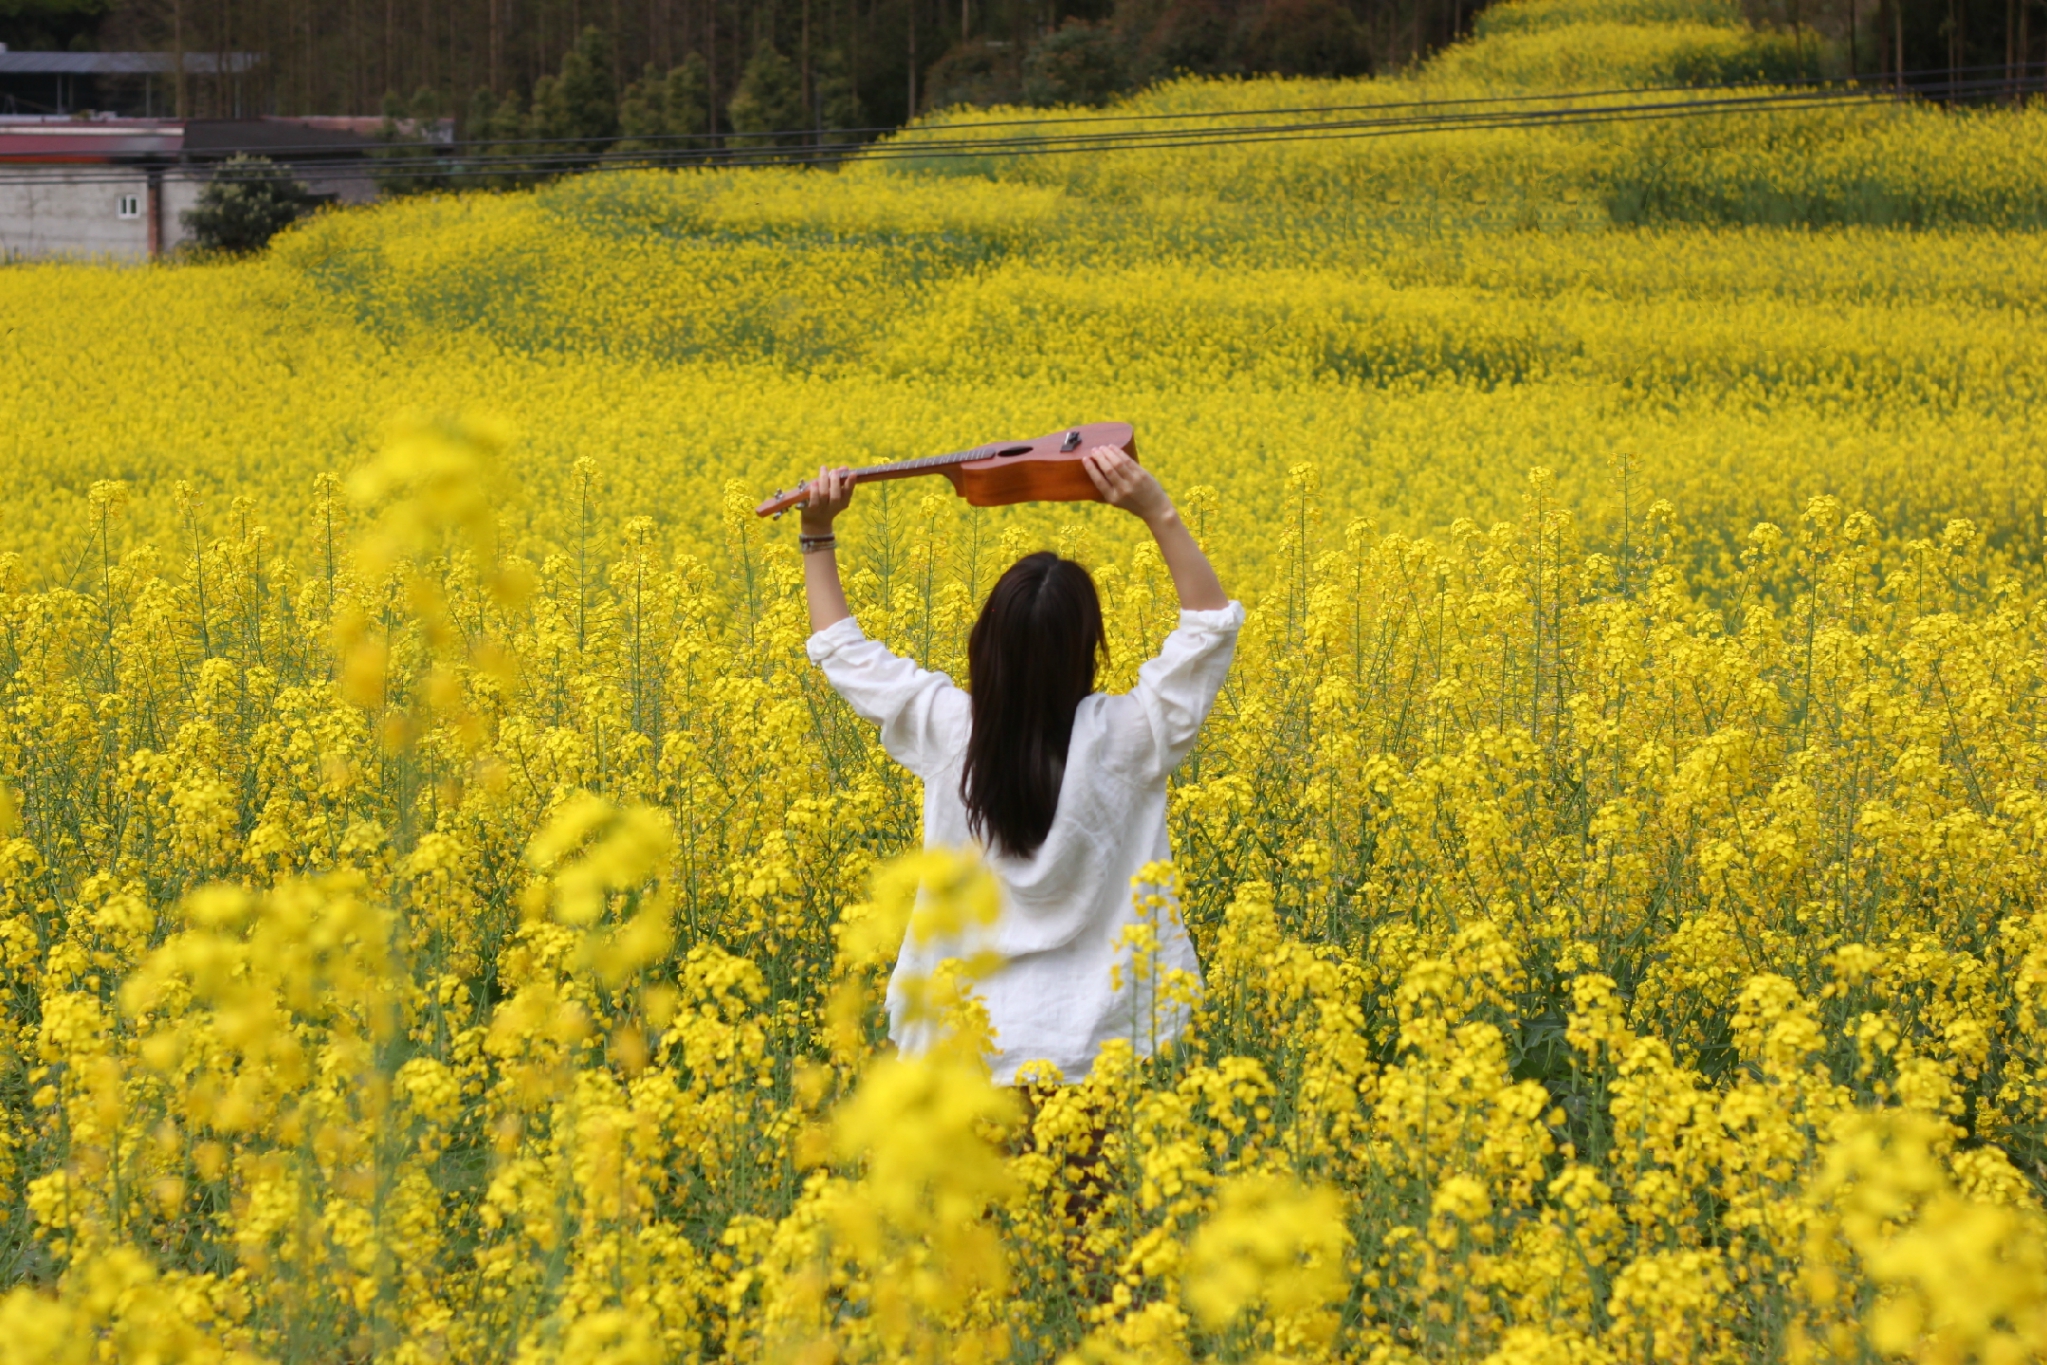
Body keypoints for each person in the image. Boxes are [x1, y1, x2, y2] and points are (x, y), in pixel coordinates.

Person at [799, 445, 1243, 1085]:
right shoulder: (1132, 738)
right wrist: (1157, 512)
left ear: (985, 644)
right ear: (1089, 648)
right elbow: (1208, 630)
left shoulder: (950, 732)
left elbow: (843, 652)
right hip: (1096, 1051)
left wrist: (818, 534)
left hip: (964, 1050)